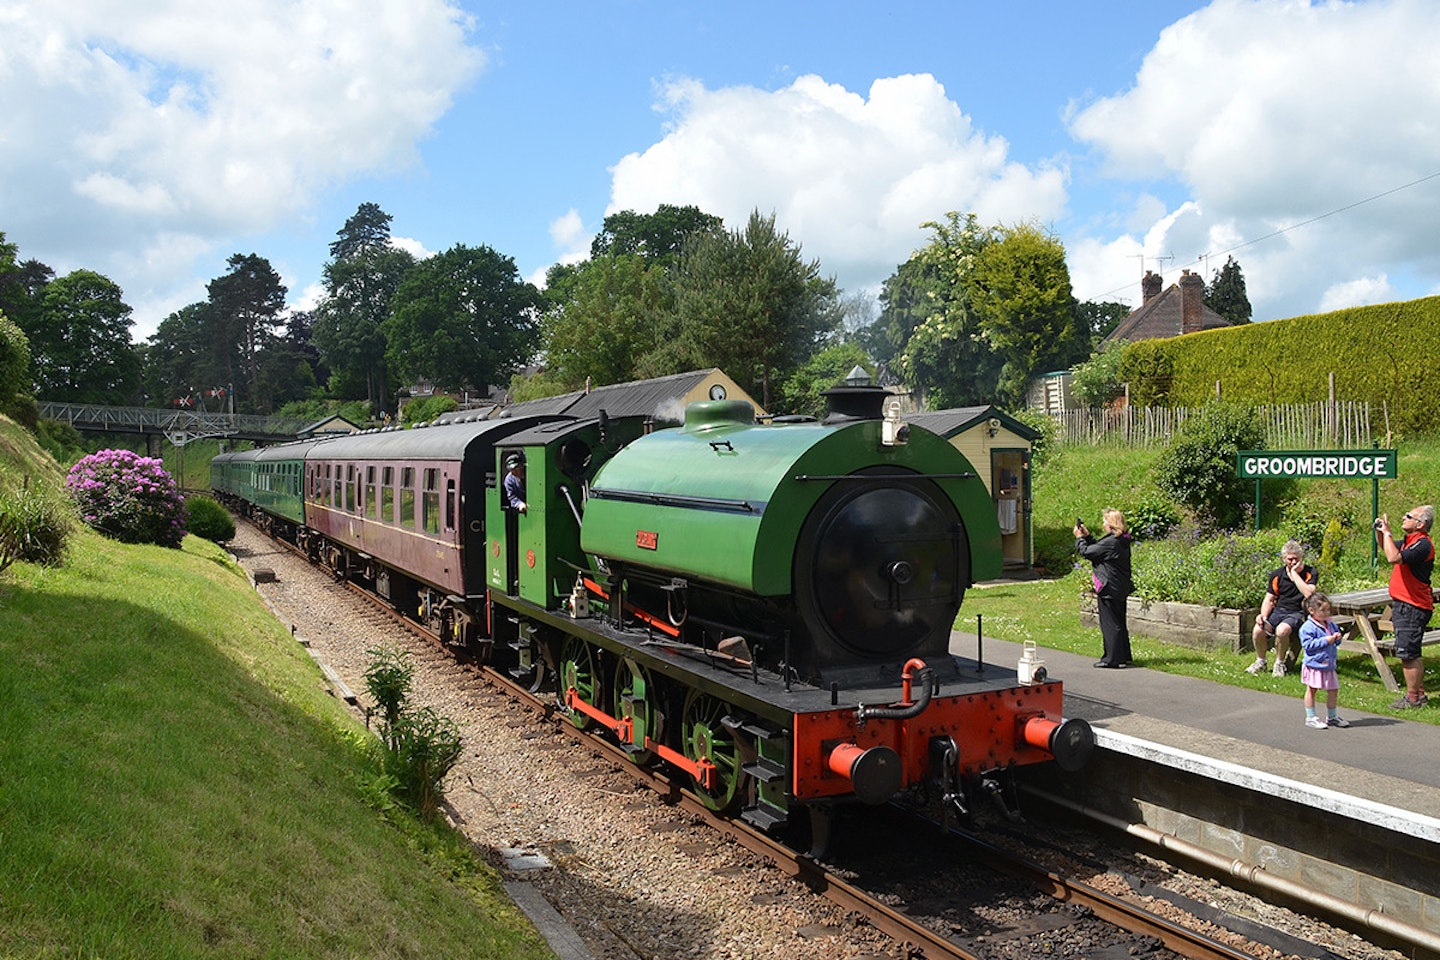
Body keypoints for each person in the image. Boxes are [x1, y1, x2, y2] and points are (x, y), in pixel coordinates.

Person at [1375, 504, 1435, 710]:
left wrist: (1388, 532)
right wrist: (1380, 531)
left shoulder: (1423, 544)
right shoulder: (1410, 541)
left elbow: (1393, 558)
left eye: (1408, 516)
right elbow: (1387, 548)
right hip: (1406, 604)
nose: (1403, 517)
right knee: (1412, 652)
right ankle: (1418, 695)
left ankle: (1412, 699)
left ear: (1420, 524)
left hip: (1413, 605)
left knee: (1408, 654)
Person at [1245, 540, 1318, 678]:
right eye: (1290, 559)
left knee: (1282, 630)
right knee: (1258, 630)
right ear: (1284, 559)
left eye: (1297, 558)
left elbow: (1309, 594)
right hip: (1279, 611)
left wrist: (1295, 574)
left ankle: (1279, 663)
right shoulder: (1277, 575)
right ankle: (1261, 661)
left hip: (1299, 613)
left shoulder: (1310, 572)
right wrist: (1263, 615)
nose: (1294, 562)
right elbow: (1269, 599)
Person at [1075, 508, 1134, 669]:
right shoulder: (1121, 539)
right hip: (1120, 585)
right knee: (1119, 622)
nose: (1103, 524)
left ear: (1111, 524)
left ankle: (1112, 659)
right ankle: (1123, 656)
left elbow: (1087, 552)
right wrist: (1087, 536)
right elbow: (1099, 549)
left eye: (1105, 521)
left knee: (1110, 623)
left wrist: (1080, 538)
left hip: (1109, 587)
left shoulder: (1112, 542)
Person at [1298, 592, 1348, 729]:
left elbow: (1335, 642)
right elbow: (1308, 645)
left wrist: (1337, 638)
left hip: (1329, 664)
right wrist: (1325, 641)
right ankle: (1311, 717)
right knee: (1312, 689)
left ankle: (1332, 716)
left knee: (1333, 689)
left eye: (1328, 610)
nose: (1327, 613)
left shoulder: (1330, 624)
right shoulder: (1307, 628)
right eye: (1323, 610)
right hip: (1315, 664)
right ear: (1312, 611)